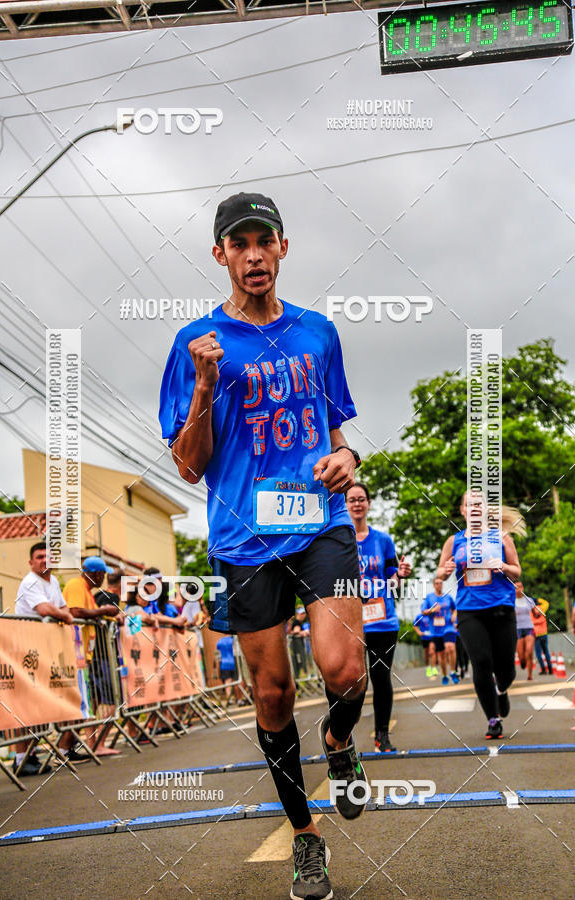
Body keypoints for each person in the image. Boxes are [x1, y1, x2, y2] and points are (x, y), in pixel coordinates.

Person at [160, 192, 368, 900]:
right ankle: (306, 838)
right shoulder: (198, 344)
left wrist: (351, 463)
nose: (253, 254)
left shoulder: (319, 333)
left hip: (319, 523)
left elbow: (335, 433)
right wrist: (206, 386)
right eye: (238, 243)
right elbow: (188, 464)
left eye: (264, 240)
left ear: (283, 248)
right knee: (273, 693)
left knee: (344, 668)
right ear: (220, 255)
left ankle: (339, 742)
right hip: (244, 539)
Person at [437, 492, 523, 740]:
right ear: (462, 510)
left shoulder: (501, 537)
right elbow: (440, 574)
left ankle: (502, 688)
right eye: (468, 504)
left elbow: (517, 572)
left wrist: (504, 567)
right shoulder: (454, 542)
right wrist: (446, 570)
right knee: (481, 662)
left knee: (506, 668)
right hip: (469, 610)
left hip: (501, 607)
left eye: (478, 504)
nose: (474, 508)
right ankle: (493, 719)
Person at [345, 483, 411, 752]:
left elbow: (393, 581)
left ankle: (382, 734)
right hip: (350, 622)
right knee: (352, 680)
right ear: (345, 504)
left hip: (383, 620)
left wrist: (401, 574)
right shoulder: (339, 540)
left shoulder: (383, 541)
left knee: (381, 677)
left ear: (368, 504)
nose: (357, 504)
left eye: (361, 499)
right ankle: (342, 736)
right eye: (351, 500)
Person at [13, 542, 74, 775]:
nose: (43, 560)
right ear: (31, 562)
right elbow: (46, 609)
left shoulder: (54, 581)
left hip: (46, 650)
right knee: (26, 705)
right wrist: (64, 616)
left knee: (39, 704)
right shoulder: (30, 582)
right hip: (27, 649)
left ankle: (31, 754)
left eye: (47, 557)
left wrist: (64, 614)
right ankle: (20, 758)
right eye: (39, 557)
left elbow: (62, 607)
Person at [63, 557, 124, 758]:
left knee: (86, 706)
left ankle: (72, 748)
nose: (104, 578)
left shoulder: (86, 590)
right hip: (75, 654)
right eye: (103, 574)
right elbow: (75, 612)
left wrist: (98, 614)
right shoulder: (76, 585)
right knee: (84, 706)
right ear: (96, 574)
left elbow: (85, 613)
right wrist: (103, 610)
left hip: (85, 655)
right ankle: (70, 749)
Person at [421, 578, 458, 685]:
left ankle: (453, 672)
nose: (439, 585)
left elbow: (455, 609)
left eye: (441, 583)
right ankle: (445, 675)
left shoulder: (448, 597)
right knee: (441, 655)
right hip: (436, 630)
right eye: (437, 583)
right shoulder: (429, 598)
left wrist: (454, 616)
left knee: (450, 647)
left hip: (448, 627)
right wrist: (432, 610)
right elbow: (423, 612)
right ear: (433, 585)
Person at [514, 581, 536, 681]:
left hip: (529, 628)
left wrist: (537, 613)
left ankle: (530, 675)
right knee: (521, 655)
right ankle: (523, 662)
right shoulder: (511, 601)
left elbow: (535, 612)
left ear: (523, 588)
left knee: (529, 651)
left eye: (520, 587)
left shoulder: (529, 600)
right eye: (516, 587)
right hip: (517, 629)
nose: (518, 589)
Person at [413, 607, 437, 678]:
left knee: (432, 652)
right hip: (424, 637)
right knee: (426, 653)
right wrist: (419, 632)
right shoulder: (419, 616)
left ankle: (434, 668)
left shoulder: (432, 615)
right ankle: (428, 668)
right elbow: (415, 625)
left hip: (432, 636)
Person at [289, 605, 311, 683]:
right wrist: (304, 632)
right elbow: (296, 631)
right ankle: (302, 682)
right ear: (299, 614)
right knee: (300, 664)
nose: (304, 616)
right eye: (303, 614)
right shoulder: (297, 622)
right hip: (297, 648)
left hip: (297, 647)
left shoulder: (296, 622)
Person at [532, 596, 552, 674]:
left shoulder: (530, 611)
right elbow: (546, 603)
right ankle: (550, 669)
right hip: (544, 633)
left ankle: (543, 669)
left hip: (536, 634)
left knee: (538, 653)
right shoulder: (542, 608)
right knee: (546, 651)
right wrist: (538, 599)